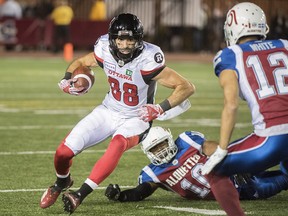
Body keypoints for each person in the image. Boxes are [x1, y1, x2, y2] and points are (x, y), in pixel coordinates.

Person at [39, 13, 195, 214]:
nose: (125, 44)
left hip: (137, 116)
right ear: (112, 39)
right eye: (120, 39)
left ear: (139, 40)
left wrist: (160, 107)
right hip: (108, 109)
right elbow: (81, 62)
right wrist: (67, 78)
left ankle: (80, 194)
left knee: (118, 143)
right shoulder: (103, 48)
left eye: (131, 39)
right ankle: (62, 182)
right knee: (63, 153)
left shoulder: (148, 59)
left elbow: (186, 86)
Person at [105, 127, 288, 216]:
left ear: (170, 139)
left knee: (275, 153)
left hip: (235, 172)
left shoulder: (186, 141)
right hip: (243, 191)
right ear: (147, 153)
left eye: (162, 144)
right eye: (155, 148)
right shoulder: (153, 173)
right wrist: (121, 196)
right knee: (284, 178)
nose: (160, 150)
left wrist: (239, 163)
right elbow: (141, 191)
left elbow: (212, 147)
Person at [201, 2, 288, 176]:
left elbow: (231, 105)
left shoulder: (230, 55)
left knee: (213, 169)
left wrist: (222, 148)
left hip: (272, 138)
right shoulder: (285, 45)